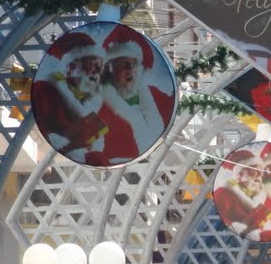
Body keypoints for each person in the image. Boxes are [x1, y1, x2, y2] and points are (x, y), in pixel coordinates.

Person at [94, 24, 176, 165]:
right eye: (125, 64)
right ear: (110, 69)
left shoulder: (158, 96)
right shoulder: (97, 104)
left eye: (134, 64)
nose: (131, 70)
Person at [32, 31, 108, 164]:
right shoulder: (45, 90)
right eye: (93, 64)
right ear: (73, 65)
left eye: (100, 67)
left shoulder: (91, 103)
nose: (97, 72)